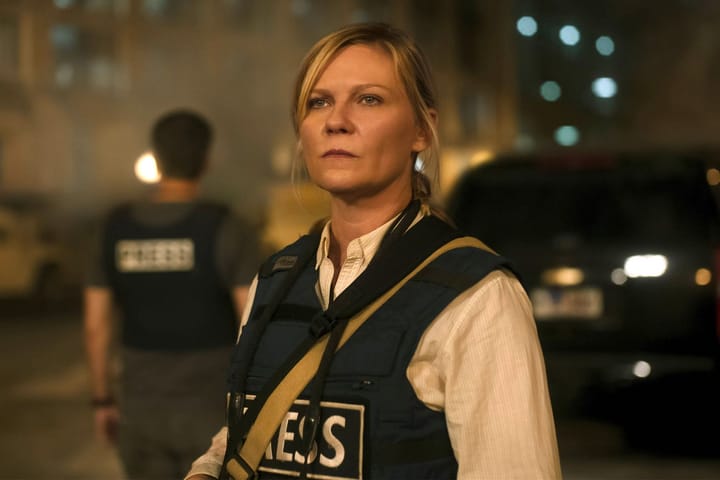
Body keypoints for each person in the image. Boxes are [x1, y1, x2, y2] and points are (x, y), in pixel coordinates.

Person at [185, 23, 561, 480]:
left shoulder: (477, 297)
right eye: (318, 102)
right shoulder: (275, 278)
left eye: (369, 99)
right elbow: (249, 428)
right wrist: (206, 470)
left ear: (421, 129)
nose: (336, 121)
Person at [84, 109, 261, 480]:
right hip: (211, 411)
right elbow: (252, 322)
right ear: (207, 161)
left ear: (156, 158)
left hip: (140, 411)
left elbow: (96, 325)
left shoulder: (115, 227)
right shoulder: (226, 226)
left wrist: (102, 399)